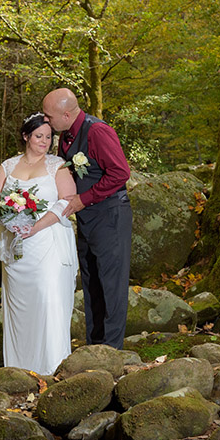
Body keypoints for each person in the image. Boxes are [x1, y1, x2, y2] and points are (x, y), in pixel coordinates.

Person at [42, 88, 132, 350]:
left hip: (110, 215)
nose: (47, 122)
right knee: (91, 281)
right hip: (86, 219)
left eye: (49, 117)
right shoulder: (65, 136)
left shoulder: (98, 131)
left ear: (66, 114)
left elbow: (120, 173)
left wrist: (84, 199)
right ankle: (95, 345)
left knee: (112, 284)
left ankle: (112, 350)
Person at [0, 112, 78, 376]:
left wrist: (35, 226)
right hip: (16, 246)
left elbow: (68, 201)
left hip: (48, 243)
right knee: (19, 308)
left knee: (48, 300)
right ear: (26, 136)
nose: (45, 142)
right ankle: (19, 371)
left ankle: (52, 370)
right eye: (39, 136)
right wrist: (11, 222)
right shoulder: (6, 167)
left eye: (49, 137)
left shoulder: (57, 166)